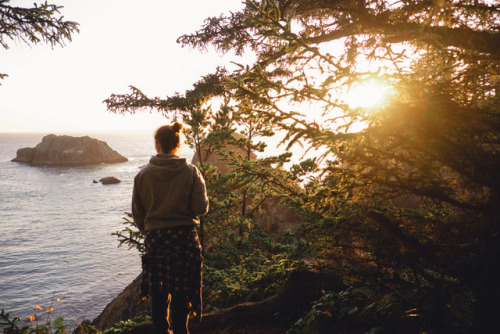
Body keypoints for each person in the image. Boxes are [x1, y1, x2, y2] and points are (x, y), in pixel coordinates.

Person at [132, 122, 209, 334]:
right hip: (185, 240)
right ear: (177, 144)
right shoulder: (191, 172)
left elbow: (138, 215)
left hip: (156, 241)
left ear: (157, 144)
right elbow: (201, 208)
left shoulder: (142, 176)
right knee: (181, 293)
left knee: (158, 293)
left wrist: (150, 231)